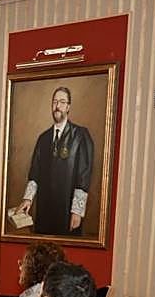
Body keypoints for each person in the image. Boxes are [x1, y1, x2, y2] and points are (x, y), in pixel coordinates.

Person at [17, 86, 96, 236]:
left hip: (67, 212)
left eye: (61, 102)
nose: (57, 106)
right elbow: (34, 173)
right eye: (54, 102)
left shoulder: (80, 136)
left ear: (68, 107)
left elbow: (83, 177)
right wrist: (27, 199)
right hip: (44, 212)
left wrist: (77, 212)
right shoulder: (43, 138)